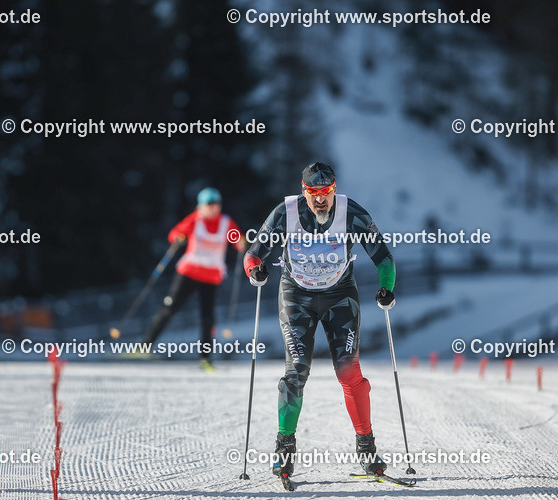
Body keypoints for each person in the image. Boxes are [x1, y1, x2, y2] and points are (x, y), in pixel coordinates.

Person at [243, 162, 397, 480]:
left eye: (326, 192)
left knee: (349, 373)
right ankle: (284, 450)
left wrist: (386, 288)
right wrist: (255, 269)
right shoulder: (285, 213)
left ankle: (367, 452)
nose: (320, 200)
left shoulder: (352, 213)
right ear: (304, 192)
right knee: (296, 370)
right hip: (296, 297)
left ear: (334, 190)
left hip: (340, 297)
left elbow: (383, 256)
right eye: (313, 193)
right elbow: (253, 253)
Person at [144, 187, 246, 370]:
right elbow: (174, 234)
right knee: (170, 307)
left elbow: (236, 238)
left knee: (208, 318)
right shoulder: (195, 220)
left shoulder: (225, 222)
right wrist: (179, 237)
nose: (214, 208)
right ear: (201, 206)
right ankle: (145, 346)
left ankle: (205, 358)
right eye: (210, 204)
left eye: (217, 204)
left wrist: (241, 243)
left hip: (211, 276)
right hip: (189, 273)